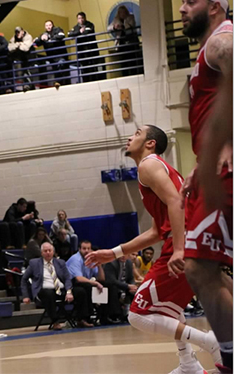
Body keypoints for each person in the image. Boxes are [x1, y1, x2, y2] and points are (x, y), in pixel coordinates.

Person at [85, 124, 221, 372]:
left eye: (137, 133)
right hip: (194, 239)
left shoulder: (148, 165)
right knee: (169, 308)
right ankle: (188, 362)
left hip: (186, 241)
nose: (129, 137)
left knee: (138, 314)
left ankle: (211, 342)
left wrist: (179, 249)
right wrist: (114, 252)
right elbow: (158, 230)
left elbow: (176, 201)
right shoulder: (157, 169)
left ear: (150, 143)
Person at [179, 0, 233, 371]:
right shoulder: (208, 50)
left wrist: (226, 141)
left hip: (227, 169)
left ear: (215, 8)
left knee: (199, 267)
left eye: (191, 1)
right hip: (211, 169)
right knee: (210, 270)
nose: (182, 8)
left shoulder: (222, 40)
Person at [22, 241, 89, 330]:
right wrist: (26, 296)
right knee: (49, 294)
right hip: (44, 290)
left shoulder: (60, 262)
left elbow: (67, 278)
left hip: (61, 289)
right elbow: (24, 279)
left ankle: (80, 319)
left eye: (50, 250)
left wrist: (69, 291)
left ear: (53, 252)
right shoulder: (34, 263)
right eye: (45, 251)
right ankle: (55, 321)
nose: (48, 253)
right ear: (41, 253)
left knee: (81, 291)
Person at [66, 240, 104, 325]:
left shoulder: (91, 259)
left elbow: (101, 278)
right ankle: (83, 318)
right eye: (84, 248)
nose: (86, 251)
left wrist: (99, 264)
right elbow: (79, 279)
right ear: (79, 249)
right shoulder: (75, 259)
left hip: (85, 284)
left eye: (88, 248)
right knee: (84, 289)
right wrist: (96, 283)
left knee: (106, 285)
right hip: (71, 285)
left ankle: (104, 316)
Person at [68, 12, 104, 82]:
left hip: (91, 51)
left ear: (85, 18)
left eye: (82, 18)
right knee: (84, 69)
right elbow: (70, 35)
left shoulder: (90, 25)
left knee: (93, 68)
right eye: (79, 18)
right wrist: (79, 32)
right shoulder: (76, 27)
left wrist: (77, 33)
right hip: (82, 52)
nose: (81, 20)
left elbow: (86, 32)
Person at [108, 5, 142, 76]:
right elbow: (109, 28)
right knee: (124, 60)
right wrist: (114, 27)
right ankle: (125, 74)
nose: (122, 14)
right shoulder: (116, 19)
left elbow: (131, 25)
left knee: (133, 59)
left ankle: (134, 74)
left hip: (131, 41)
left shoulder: (130, 17)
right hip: (122, 42)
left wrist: (122, 26)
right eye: (121, 13)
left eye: (123, 12)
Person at [103, 255, 137, 322]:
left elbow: (131, 278)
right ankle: (115, 315)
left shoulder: (129, 263)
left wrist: (133, 286)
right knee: (113, 288)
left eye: (125, 254)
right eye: (121, 254)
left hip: (124, 285)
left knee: (136, 290)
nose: (123, 256)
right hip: (113, 286)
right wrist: (127, 286)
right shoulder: (110, 263)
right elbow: (112, 280)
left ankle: (134, 313)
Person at [35, 20, 70, 85]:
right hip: (52, 58)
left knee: (62, 67)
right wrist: (41, 39)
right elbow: (35, 44)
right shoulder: (44, 34)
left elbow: (62, 35)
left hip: (61, 56)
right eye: (46, 25)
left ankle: (62, 83)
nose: (48, 27)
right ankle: (58, 82)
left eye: (50, 25)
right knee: (55, 70)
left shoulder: (57, 29)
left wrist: (50, 39)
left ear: (52, 25)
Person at [7, 26, 34, 92]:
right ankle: (12, 87)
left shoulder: (28, 36)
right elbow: (10, 48)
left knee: (27, 71)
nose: (17, 34)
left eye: (19, 32)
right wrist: (19, 44)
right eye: (16, 32)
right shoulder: (14, 37)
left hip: (28, 58)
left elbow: (26, 48)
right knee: (17, 71)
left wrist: (17, 45)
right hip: (19, 58)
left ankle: (29, 86)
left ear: (22, 31)